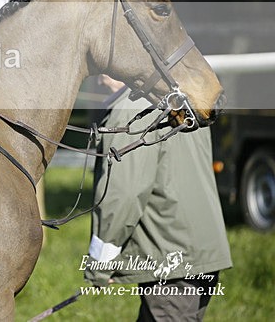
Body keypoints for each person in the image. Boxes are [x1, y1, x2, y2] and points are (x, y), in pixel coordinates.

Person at [85, 75, 232, 321]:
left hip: (171, 261)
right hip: (198, 255)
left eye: (102, 66)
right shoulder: (179, 102)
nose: (98, 77)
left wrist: (99, 265)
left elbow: (123, 195)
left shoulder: (130, 112)